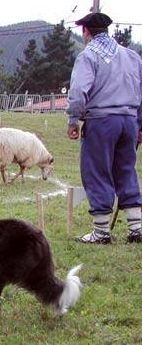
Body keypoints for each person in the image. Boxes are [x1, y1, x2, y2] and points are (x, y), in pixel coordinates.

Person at [66, 12, 142, 244]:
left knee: (97, 171)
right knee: (126, 169)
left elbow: (79, 92)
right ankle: (136, 227)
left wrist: (73, 119)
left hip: (101, 120)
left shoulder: (88, 55)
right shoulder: (131, 56)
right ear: (107, 30)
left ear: (85, 32)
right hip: (129, 120)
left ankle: (101, 232)